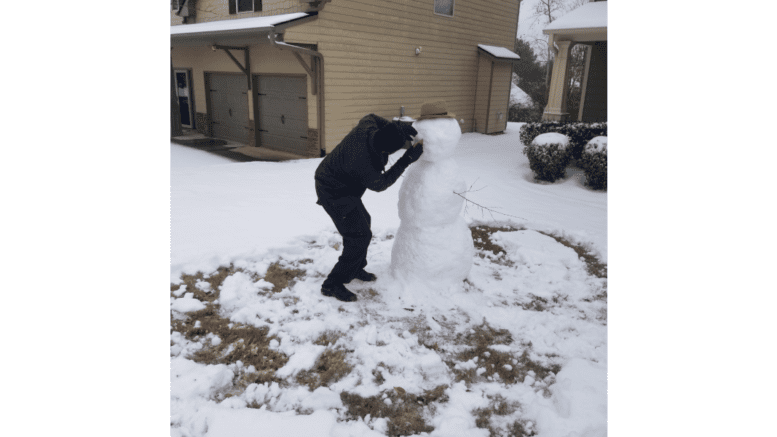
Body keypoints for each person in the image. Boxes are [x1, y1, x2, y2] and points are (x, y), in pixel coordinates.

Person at [314, 114, 424, 302]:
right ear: (384, 151)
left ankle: (355, 267)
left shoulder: (368, 126)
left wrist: (397, 127)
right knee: (358, 236)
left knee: (364, 224)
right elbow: (381, 183)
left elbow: (371, 116)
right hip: (333, 191)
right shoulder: (362, 163)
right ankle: (332, 284)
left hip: (342, 183)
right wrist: (406, 159)